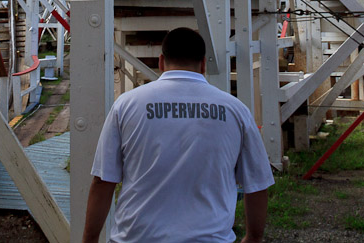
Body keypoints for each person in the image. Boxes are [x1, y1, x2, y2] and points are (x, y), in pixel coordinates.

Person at [81, 27, 274, 243]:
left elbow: (103, 180)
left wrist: (89, 239)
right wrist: (254, 237)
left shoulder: (126, 105)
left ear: (161, 61)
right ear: (203, 64)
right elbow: (257, 183)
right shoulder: (236, 110)